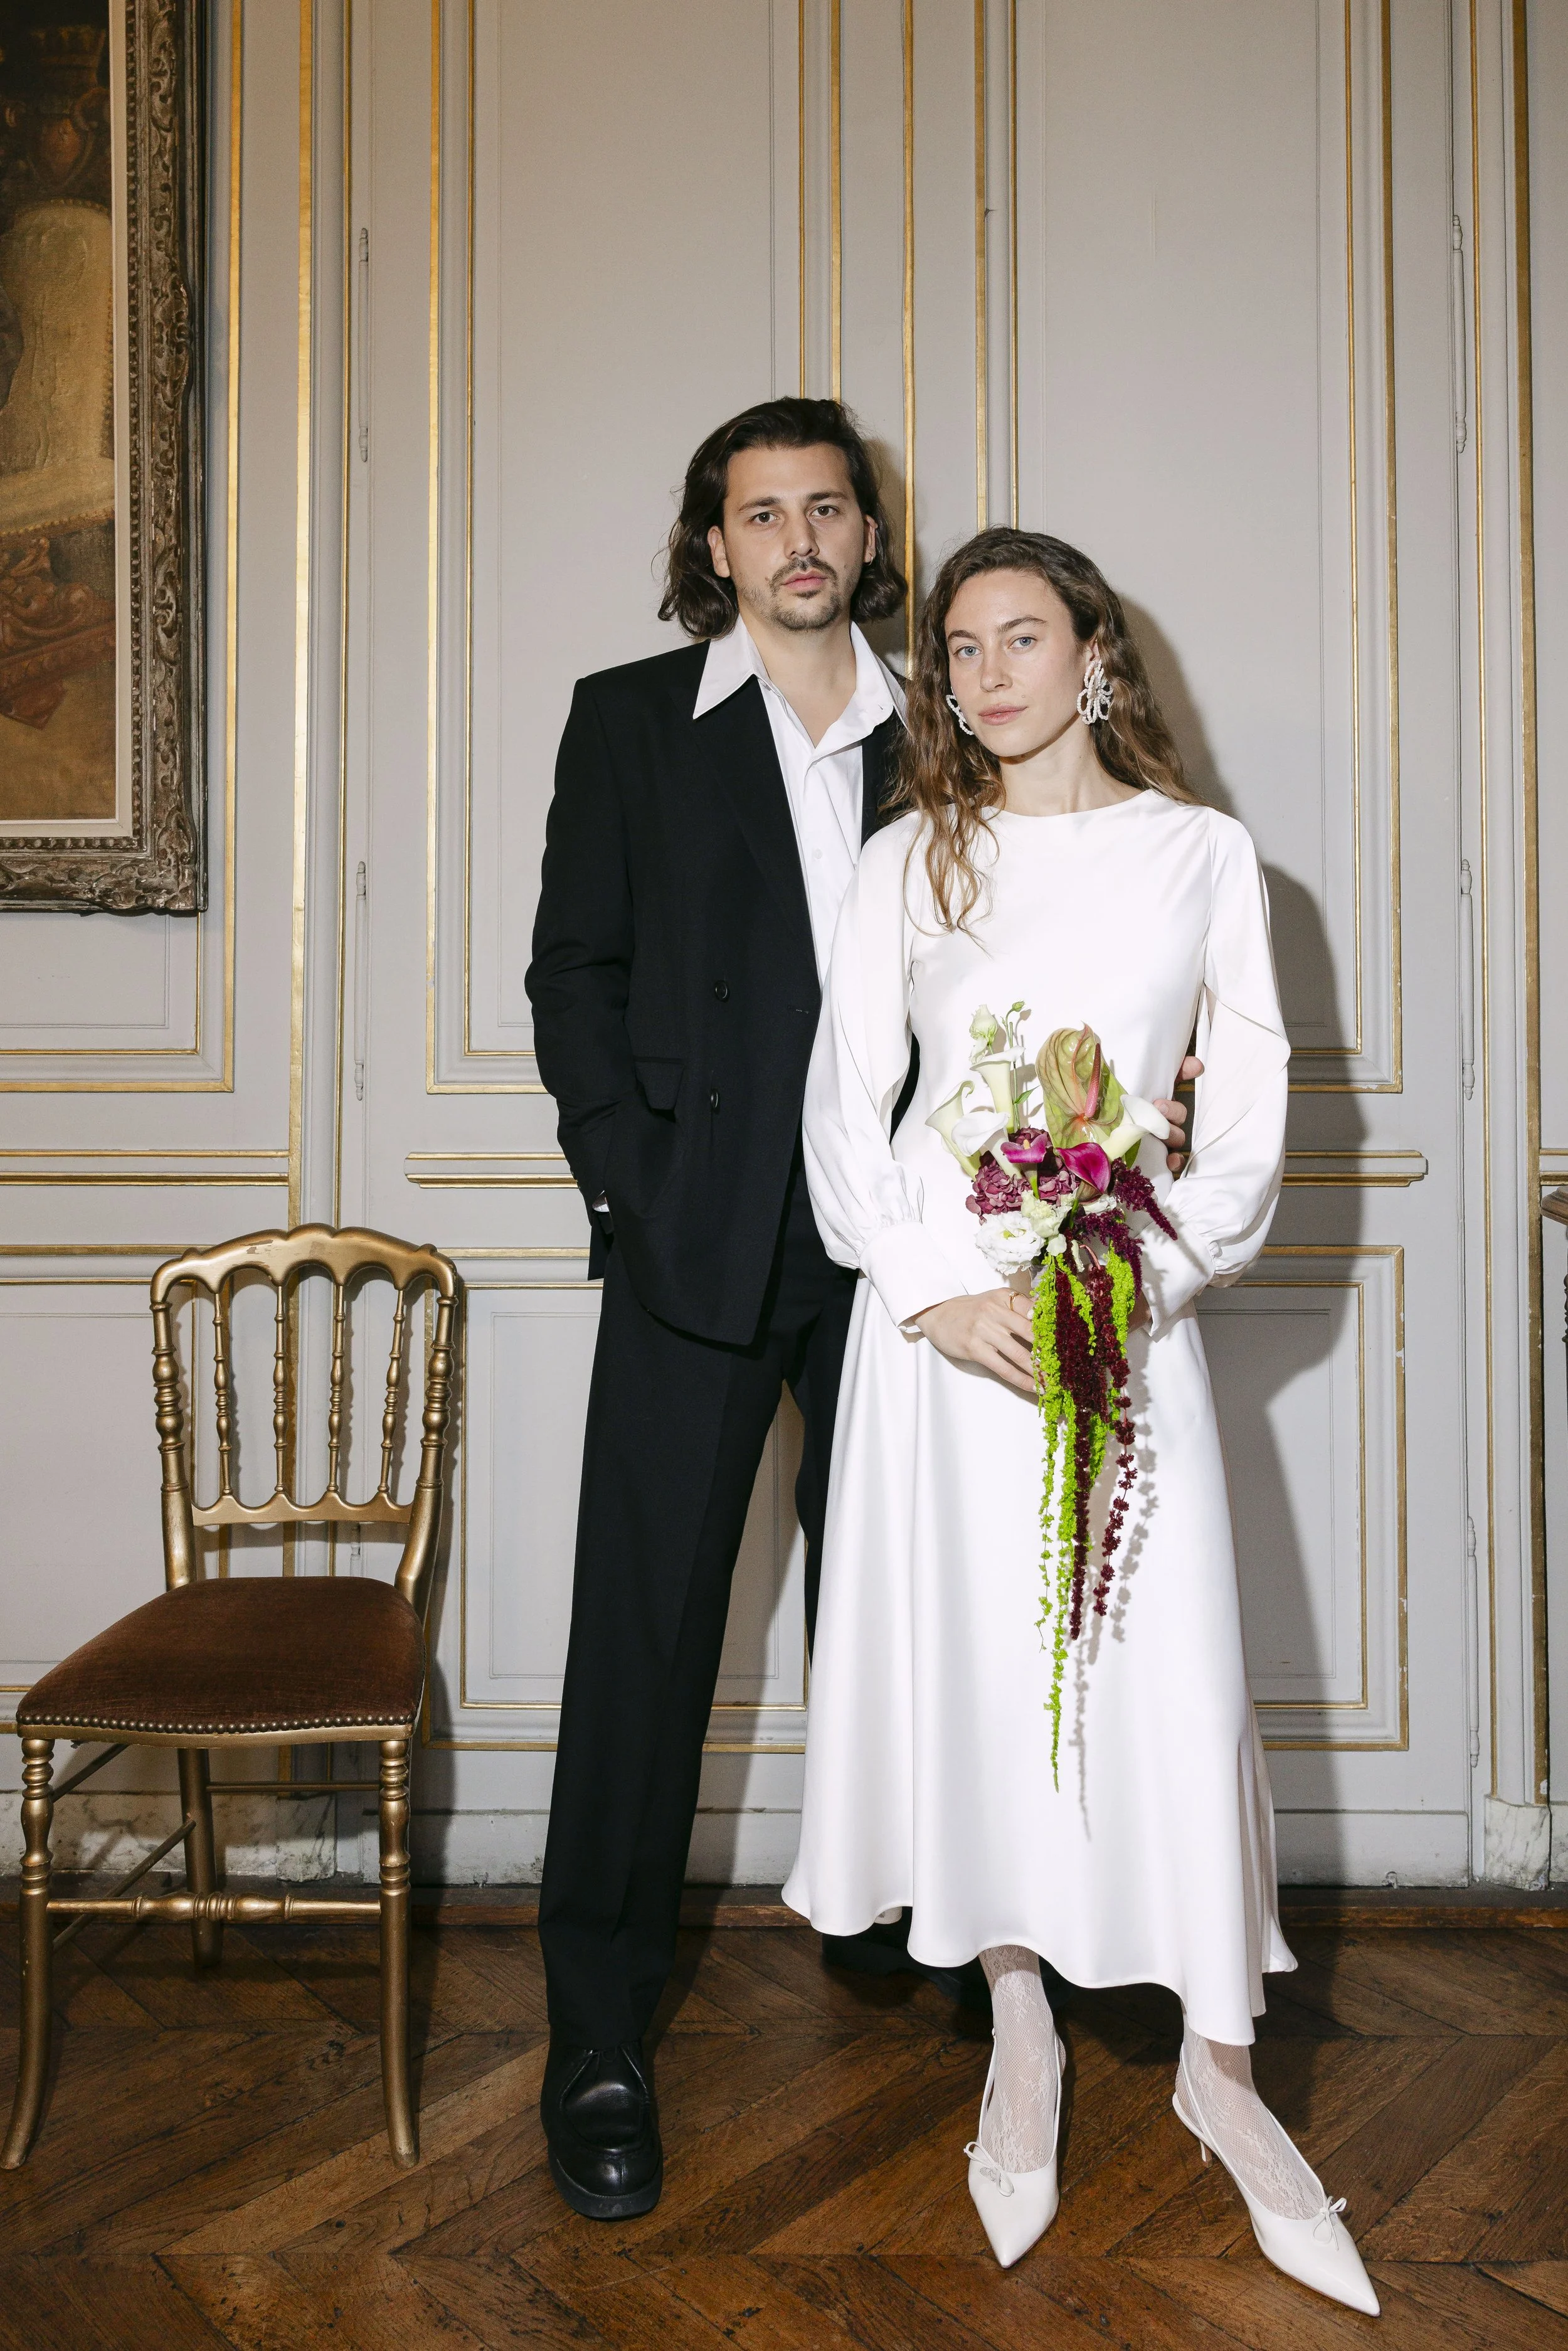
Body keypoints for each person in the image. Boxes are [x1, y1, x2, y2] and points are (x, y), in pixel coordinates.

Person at [526, 403, 1198, 2222]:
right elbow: (572, 978)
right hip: (696, 1249)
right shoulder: (627, 724)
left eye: (827, 506)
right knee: (644, 1639)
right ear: (717, 547)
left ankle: (925, 1925)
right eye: (762, 513)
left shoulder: (949, 725)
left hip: (910, 1260)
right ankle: (597, 2032)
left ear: (870, 535)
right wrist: (632, 1186)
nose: (800, 537)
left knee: (921, 1616)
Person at [782, 527, 1379, 2317]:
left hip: (1113, 1317)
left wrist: (1124, 1285)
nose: (984, 674)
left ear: (1097, 652)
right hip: (944, 1343)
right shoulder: (908, 856)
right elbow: (847, 1108)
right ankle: (1020, 2030)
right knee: (980, 1673)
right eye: (959, 648)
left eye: (1020, 638)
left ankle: (1221, 2071)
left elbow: (1246, 1126)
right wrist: (933, 1297)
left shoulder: (1204, 856)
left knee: (1165, 1677)